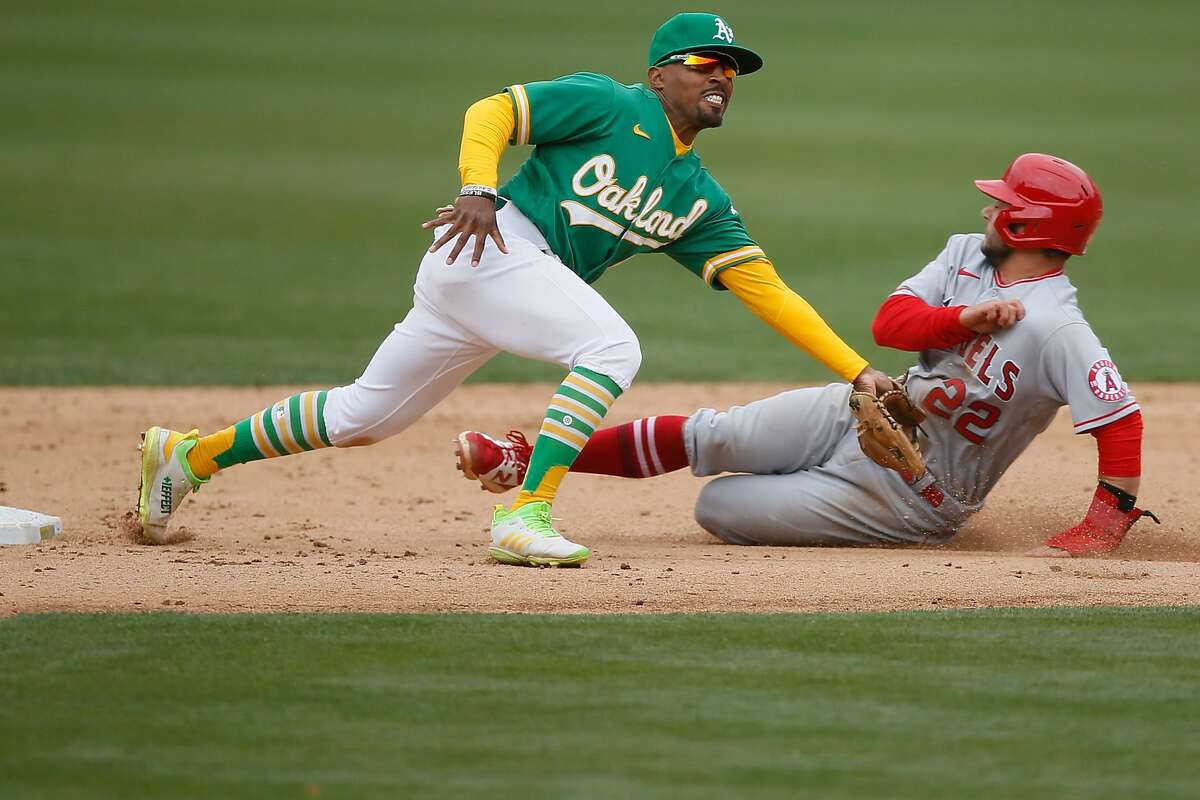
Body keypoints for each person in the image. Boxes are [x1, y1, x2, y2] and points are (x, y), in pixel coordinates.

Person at [136, 12, 896, 565]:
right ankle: (525, 511)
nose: (722, 77)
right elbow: (494, 108)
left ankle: (190, 457)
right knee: (611, 346)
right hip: (489, 246)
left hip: (504, 280)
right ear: (661, 72)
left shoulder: (699, 196)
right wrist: (476, 184)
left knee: (366, 416)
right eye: (706, 62)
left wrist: (857, 370)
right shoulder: (611, 103)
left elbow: (769, 291)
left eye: (732, 70)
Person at [456, 153, 1159, 557]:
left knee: (720, 506)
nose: (987, 212)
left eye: (1002, 204)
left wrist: (1104, 523)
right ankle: (529, 459)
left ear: (1030, 223)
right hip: (863, 410)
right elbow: (891, 324)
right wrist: (961, 318)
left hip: (912, 495)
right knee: (714, 432)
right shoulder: (964, 257)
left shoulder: (1059, 330)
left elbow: (1120, 419)